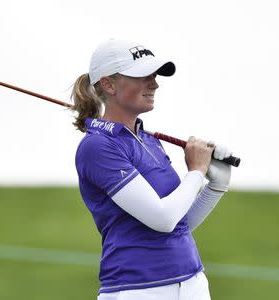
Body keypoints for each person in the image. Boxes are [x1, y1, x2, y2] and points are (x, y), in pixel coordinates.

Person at [71, 39, 232, 300]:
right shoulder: (97, 146)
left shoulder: (149, 141)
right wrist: (196, 172)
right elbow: (163, 219)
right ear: (108, 84)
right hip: (138, 289)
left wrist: (216, 186)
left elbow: (179, 223)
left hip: (192, 282)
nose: (154, 83)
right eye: (142, 76)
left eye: (154, 75)